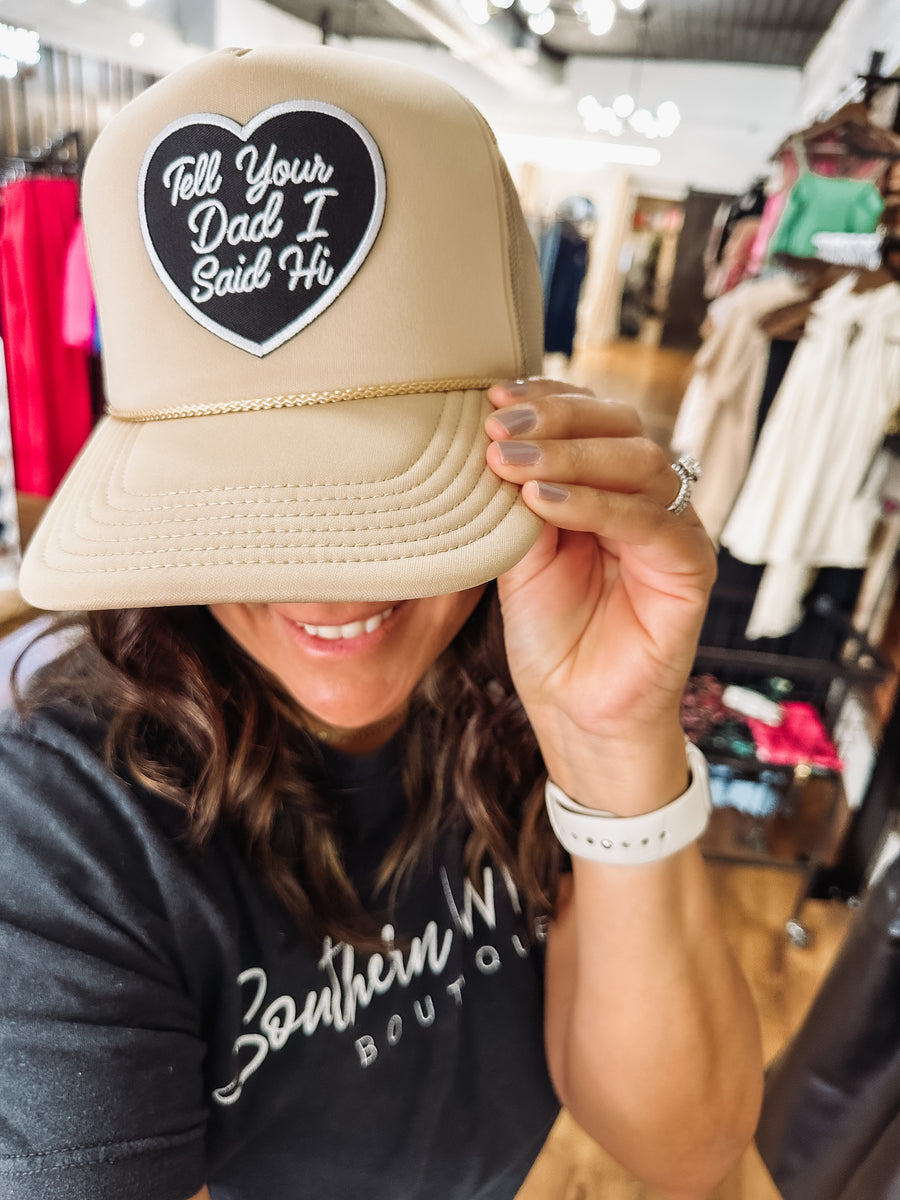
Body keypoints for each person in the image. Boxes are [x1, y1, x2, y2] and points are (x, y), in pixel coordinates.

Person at [0, 43, 762, 1200]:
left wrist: (615, 752)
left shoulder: (535, 668)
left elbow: (685, 1152)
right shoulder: (58, 825)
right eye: (239, 510)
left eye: (387, 513)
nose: (326, 589)